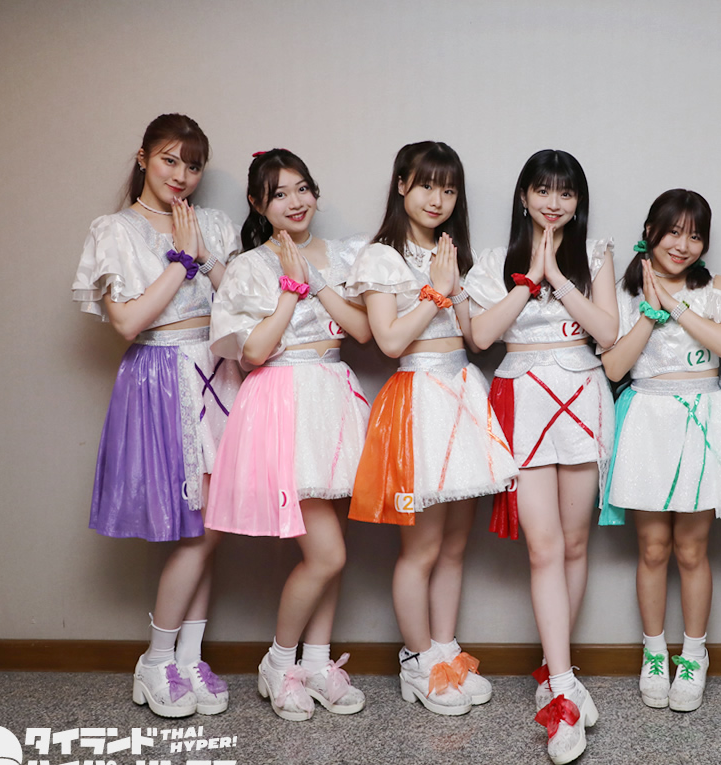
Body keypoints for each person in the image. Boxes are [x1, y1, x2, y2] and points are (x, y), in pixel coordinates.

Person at [73, 114, 240, 718]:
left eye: (192, 165)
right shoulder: (115, 230)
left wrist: (207, 257)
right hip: (161, 377)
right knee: (194, 529)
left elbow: (239, 301)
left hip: (219, 372)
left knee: (211, 525)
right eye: (170, 160)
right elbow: (127, 322)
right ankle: (155, 661)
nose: (182, 175)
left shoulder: (214, 224)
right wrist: (182, 261)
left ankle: (187, 658)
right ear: (143, 157)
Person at [347, 142, 517, 717]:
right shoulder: (380, 257)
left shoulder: (450, 252)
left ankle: (445, 651)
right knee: (420, 548)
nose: (437, 199)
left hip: (462, 393)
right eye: (426, 185)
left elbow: (473, 338)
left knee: (454, 545)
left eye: (448, 189)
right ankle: (417, 662)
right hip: (417, 398)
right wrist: (436, 290)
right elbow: (390, 341)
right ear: (401, 186)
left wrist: (464, 285)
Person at [206, 149, 373, 721]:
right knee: (327, 554)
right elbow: (252, 353)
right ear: (259, 204)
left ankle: (318, 663)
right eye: (279, 194)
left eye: (303, 188)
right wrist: (288, 291)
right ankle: (279, 663)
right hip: (282, 403)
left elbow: (363, 331)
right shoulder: (250, 267)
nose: (296, 201)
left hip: (334, 398)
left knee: (335, 552)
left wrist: (317, 283)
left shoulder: (344, 255)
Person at [465, 149, 617, 765]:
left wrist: (558, 275)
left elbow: (607, 332)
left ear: (579, 202)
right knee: (543, 548)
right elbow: (481, 336)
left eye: (566, 192)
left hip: (582, 399)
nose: (554, 202)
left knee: (575, 546)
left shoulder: (596, 253)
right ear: (524, 196)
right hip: (522, 402)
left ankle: (561, 674)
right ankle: (561, 691)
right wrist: (530, 277)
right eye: (543, 190)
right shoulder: (492, 261)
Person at [600, 189, 721, 716]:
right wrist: (650, 311)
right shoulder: (622, 294)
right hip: (647, 419)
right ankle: (653, 653)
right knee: (652, 549)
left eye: (694, 235)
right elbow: (615, 368)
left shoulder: (715, 288)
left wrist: (675, 305)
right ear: (650, 231)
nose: (683, 245)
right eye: (673, 232)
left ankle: (693, 655)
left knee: (692, 550)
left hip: (703, 419)